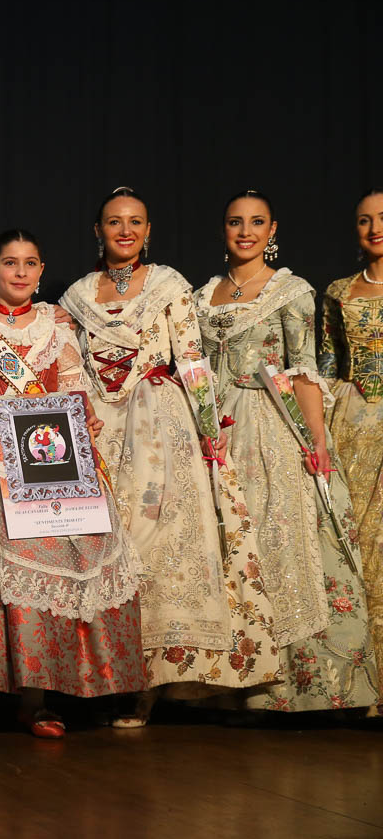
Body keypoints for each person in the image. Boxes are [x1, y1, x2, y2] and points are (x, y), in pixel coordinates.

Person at [58, 187, 280, 726]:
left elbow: (193, 360)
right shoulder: (76, 296)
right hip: (98, 430)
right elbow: (67, 369)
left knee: (161, 549)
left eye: (135, 222)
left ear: (148, 230)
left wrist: (209, 427)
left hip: (160, 426)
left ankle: (150, 683)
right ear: (98, 230)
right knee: (102, 552)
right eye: (115, 222)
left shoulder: (169, 285)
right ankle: (101, 675)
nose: (125, 231)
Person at [0, 231, 145, 737]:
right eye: (8, 263)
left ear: (42, 271)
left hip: (50, 462)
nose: (19, 273)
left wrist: (84, 421)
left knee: (62, 567)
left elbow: (73, 386)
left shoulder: (57, 323)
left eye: (29, 264)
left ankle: (40, 698)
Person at [196, 190, 376, 712]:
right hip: (216, 427)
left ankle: (296, 690)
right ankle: (229, 686)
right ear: (223, 229)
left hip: (271, 424)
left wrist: (317, 441)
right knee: (226, 544)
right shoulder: (202, 294)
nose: (245, 231)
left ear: (272, 231)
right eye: (235, 222)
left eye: (257, 223)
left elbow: (304, 370)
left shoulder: (292, 291)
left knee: (280, 537)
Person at [319, 187, 383, 683]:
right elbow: (325, 364)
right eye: (364, 221)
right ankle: (362, 681)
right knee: (353, 540)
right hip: (353, 426)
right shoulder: (339, 291)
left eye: (382, 218)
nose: (374, 228)